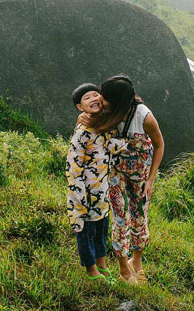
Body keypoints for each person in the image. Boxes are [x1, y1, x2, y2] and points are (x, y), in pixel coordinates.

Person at [92, 74, 165, 284]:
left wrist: (150, 180)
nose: (100, 100)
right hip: (115, 172)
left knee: (140, 215)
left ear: (118, 101)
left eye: (104, 97)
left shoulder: (144, 117)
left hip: (140, 174)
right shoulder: (106, 112)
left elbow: (159, 145)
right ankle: (124, 265)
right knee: (120, 216)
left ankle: (137, 261)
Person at [65, 83, 128, 281]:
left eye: (95, 95)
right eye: (87, 98)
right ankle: (91, 269)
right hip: (85, 192)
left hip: (102, 191)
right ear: (79, 107)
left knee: (102, 228)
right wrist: (78, 194)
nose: (93, 99)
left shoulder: (106, 125)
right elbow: (73, 165)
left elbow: (114, 146)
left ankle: (102, 264)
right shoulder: (82, 132)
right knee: (86, 232)